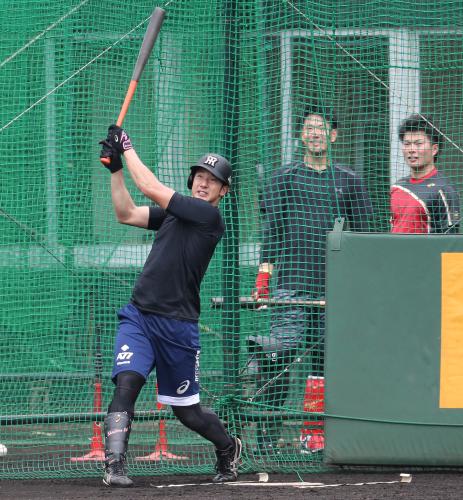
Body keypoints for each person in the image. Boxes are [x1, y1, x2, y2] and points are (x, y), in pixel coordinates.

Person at [98, 125, 241, 487]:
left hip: (178, 325)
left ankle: (228, 446)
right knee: (126, 384)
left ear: (223, 191)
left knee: (186, 412)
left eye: (213, 180)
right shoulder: (175, 213)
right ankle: (114, 466)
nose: (203, 183)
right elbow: (126, 213)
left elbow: (148, 186)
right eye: (199, 176)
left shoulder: (209, 218)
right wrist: (115, 169)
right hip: (141, 316)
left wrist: (126, 147)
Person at [250, 105, 373, 454]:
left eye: (322, 128)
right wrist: (263, 280)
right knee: (279, 357)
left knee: (323, 362)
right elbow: (271, 233)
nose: (315, 133)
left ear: (334, 136)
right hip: (289, 286)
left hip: (334, 290)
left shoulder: (349, 180)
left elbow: (365, 236)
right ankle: (266, 440)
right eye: (310, 127)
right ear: (301, 134)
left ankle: (313, 435)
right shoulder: (283, 178)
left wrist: (359, 286)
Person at [391, 114, 460, 233]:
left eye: (418, 144)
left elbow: (451, 243)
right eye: (407, 144)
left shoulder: (444, 189)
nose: (411, 149)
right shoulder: (397, 187)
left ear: (434, 149)